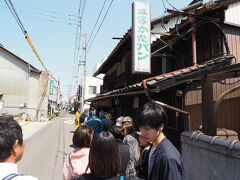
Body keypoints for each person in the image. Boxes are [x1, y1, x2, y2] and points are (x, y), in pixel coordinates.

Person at [138, 102, 186, 180]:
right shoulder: (153, 146)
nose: (142, 133)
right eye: (141, 128)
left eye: (147, 129)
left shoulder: (168, 157)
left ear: (161, 126)